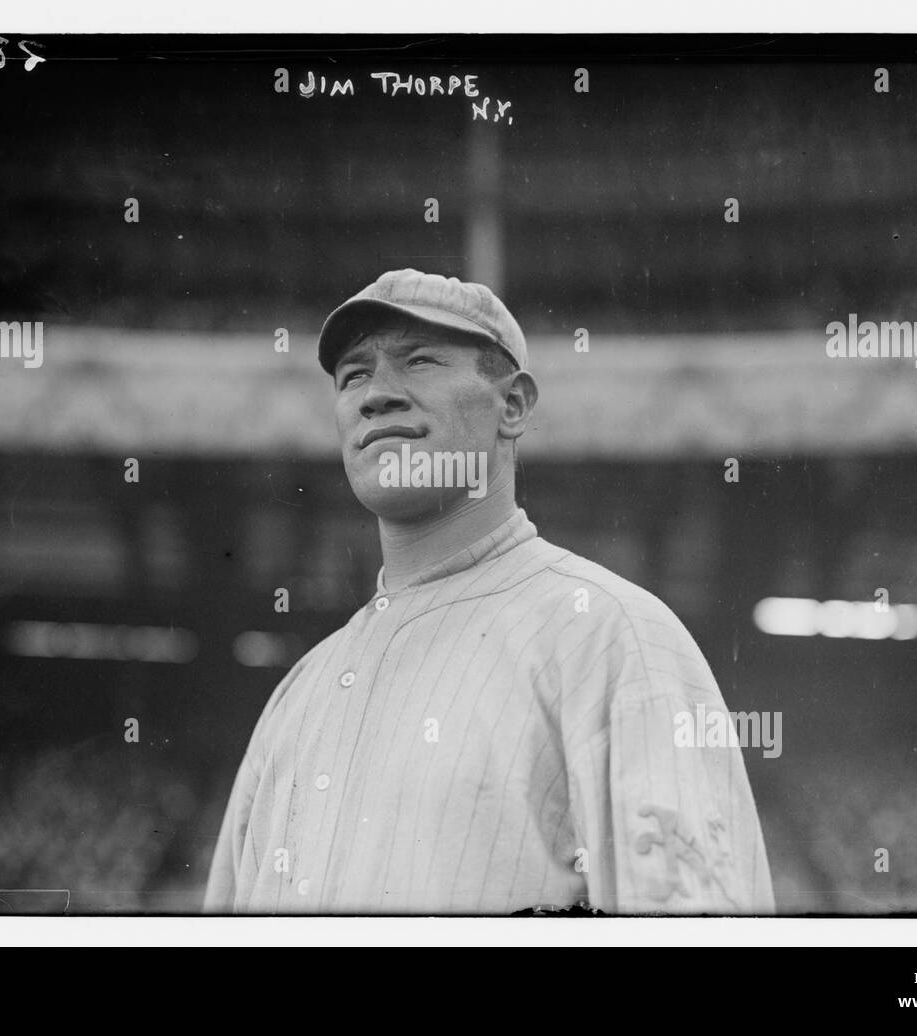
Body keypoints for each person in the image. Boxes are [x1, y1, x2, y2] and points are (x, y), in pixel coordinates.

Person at [203, 269, 774, 915]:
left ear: (513, 404)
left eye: (419, 361)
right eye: (354, 375)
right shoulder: (299, 691)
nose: (376, 395)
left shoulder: (612, 632)